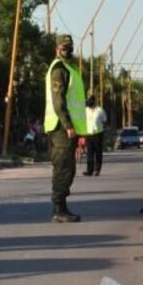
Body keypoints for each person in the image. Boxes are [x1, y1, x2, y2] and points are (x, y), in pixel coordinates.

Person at [44, 35, 89, 223]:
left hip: (68, 128)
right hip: (60, 127)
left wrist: (80, 132)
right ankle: (59, 209)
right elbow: (58, 101)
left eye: (70, 48)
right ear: (57, 49)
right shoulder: (59, 69)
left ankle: (61, 206)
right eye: (64, 48)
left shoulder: (70, 69)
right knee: (63, 168)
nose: (67, 51)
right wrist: (68, 125)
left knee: (68, 169)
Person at [83, 96, 107, 177]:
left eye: (90, 101)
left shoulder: (100, 110)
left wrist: (102, 130)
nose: (89, 103)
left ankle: (97, 170)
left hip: (98, 134)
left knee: (98, 152)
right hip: (88, 134)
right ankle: (89, 171)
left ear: (94, 101)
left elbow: (104, 121)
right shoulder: (85, 110)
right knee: (89, 153)